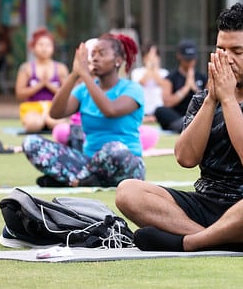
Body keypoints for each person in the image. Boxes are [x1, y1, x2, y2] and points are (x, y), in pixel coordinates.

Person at [115, 3, 243, 253]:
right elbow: (185, 158)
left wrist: (227, 99)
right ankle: (221, 239)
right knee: (127, 191)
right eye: (221, 50)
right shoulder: (204, 99)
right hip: (206, 204)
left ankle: (192, 242)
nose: (227, 59)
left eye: (237, 51)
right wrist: (211, 99)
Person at [21, 32, 145, 187]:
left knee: (115, 148)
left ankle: (74, 179)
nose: (95, 58)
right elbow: (55, 113)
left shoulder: (132, 89)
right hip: (88, 162)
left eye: (102, 53)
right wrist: (74, 75)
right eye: (92, 54)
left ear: (118, 60)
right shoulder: (83, 91)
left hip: (125, 165)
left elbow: (110, 110)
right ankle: (85, 180)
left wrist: (85, 76)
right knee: (31, 142)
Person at [14, 28, 70, 133]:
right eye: (40, 45)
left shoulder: (61, 68)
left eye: (48, 45)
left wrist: (49, 85)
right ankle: (43, 122)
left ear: (53, 48)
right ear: (33, 47)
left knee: (57, 123)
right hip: (32, 108)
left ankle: (47, 121)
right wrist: (39, 85)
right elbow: (19, 94)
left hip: (54, 108)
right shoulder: (26, 68)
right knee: (34, 124)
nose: (44, 48)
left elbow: (68, 94)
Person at [154, 39, 207, 133]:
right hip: (177, 115)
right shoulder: (170, 78)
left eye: (192, 59)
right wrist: (186, 88)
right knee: (160, 111)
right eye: (187, 59)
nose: (190, 62)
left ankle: (188, 125)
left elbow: (208, 100)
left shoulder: (203, 78)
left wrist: (195, 88)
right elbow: (167, 102)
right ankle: (185, 126)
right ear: (179, 56)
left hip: (198, 115)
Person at [130, 43, 169, 123]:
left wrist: (154, 67)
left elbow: (162, 84)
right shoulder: (137, 72)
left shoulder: (164, 73)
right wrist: (149, 66)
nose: (153, 59)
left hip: (160, 111)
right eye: (150, 56)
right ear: (144, 58)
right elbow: (142, 82)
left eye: (155, 56)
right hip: (143, 112)